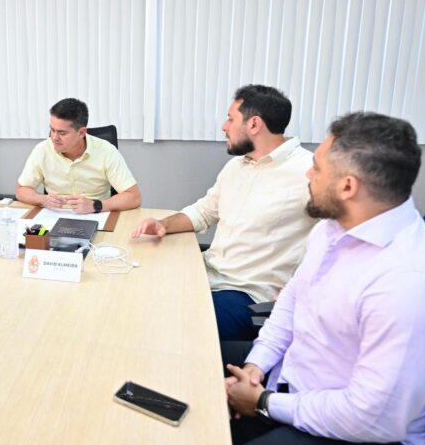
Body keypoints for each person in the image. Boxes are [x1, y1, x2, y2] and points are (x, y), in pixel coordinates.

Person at [221, 112, 425, 445]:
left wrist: (261, 402)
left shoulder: (413, 284)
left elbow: (371, 417)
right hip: (302, 387)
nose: (307, 174)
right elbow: (293, 301)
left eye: (317, 167)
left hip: (367, 442)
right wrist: (256, 366)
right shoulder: (336, 227)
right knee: (189, 375)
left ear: (347, 186)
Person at [131, 85, 315, 339]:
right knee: (133, 292)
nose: (224, 127)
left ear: (254, 124)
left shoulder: (310, 172)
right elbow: (203, 212)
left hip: (248, 296)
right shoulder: (236, 167)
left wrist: (304, 293)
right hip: (207, 273)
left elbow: (341, 242)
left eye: (230, 119)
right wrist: (164, 224)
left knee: (162, 326)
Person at [16, 97, 141, 214]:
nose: (54, 137)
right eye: (52, 130)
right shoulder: (42, 150)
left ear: (81, 132)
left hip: (94, 215)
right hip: (54, 215)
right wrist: (42, 199)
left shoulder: (106, 151)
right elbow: (22, 190)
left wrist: (95, 205)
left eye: (62, 133)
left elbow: (134, 197)